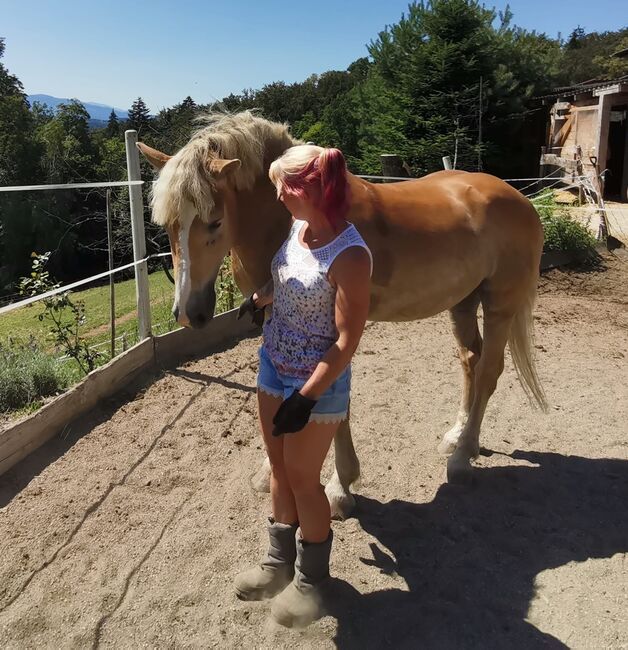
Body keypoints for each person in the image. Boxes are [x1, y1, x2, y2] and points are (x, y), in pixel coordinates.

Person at [235, 144, 372, 627]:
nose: (277, 196)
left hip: (317, 380)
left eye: (281, 186)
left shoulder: (351, 255)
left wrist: (308, 396)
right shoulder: (299, 228)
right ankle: (279, 563)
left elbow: (347, 339)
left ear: (306, 190)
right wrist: (262, 297)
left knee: (303, 480)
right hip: (273, 364)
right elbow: (290, 274)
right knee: (277, 466)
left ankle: (313, 581)